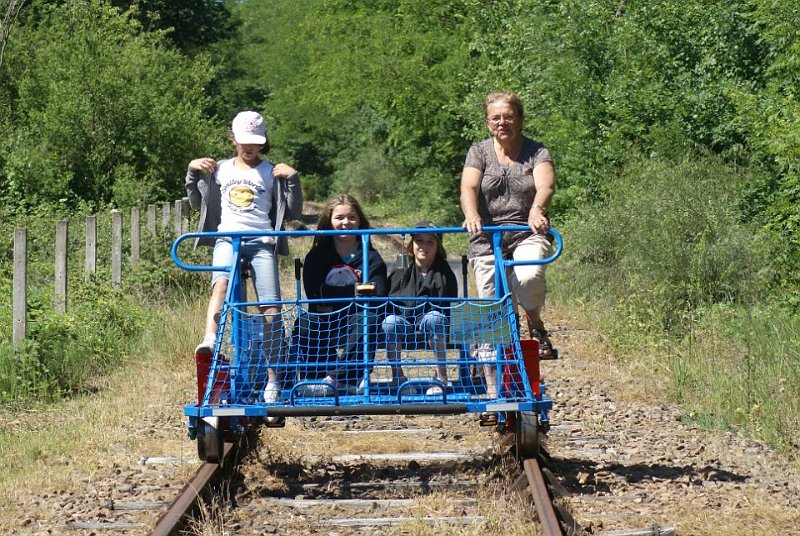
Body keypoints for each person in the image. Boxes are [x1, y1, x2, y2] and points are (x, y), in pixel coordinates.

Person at [185, 110, 303, 407]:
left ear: (263, 142)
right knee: (220, 287)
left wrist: (293, 180)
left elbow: (295, 212)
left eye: (255, 142)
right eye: (243, 141)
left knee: (271, 309)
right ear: (233, 139)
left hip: (262, 241)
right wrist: (191, 172)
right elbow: (197, 204)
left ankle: (272, 381)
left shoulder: (271, 171)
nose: (249, 147)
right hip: (227, 237)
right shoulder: (219, 169)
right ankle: (210, 341)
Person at [460, 90, 556, 410]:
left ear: (520, 119)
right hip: (486, 236)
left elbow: (546, 185)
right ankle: (492, 389)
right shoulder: (479, 152)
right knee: (491, 311)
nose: (503, 122)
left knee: (528, 277)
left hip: (526, 230)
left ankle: (534, 322)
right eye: (496, 118)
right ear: (488, 123)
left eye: (509, 116)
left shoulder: (536, 151)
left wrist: (537, 209)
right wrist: (472, 214)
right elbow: (469, 187)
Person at [300, 194, 388, 394]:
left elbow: (378, 292)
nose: (345, 222)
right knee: (305, 323)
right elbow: (315, 292)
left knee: (368, 319)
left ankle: (340, 378)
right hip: (325, 316)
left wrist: (336, 297)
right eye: (339, 218)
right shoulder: (317, 256)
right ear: (329, 222)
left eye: (351, 217)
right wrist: (356, 291)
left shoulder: (370, 257)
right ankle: (314, 377)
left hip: (355, 317)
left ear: (359, 222)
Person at [382, 221, 458, 396]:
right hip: (404, 322)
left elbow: (447, 305)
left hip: (431, 324)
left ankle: (441, 376)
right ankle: (398, 377)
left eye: (430, 242)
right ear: (412, 244)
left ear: (437, 246)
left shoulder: (443, 271)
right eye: (419, 241)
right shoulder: (402, 266)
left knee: (435, 318)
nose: (424, 246)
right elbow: (392, 297)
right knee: (390, 322)